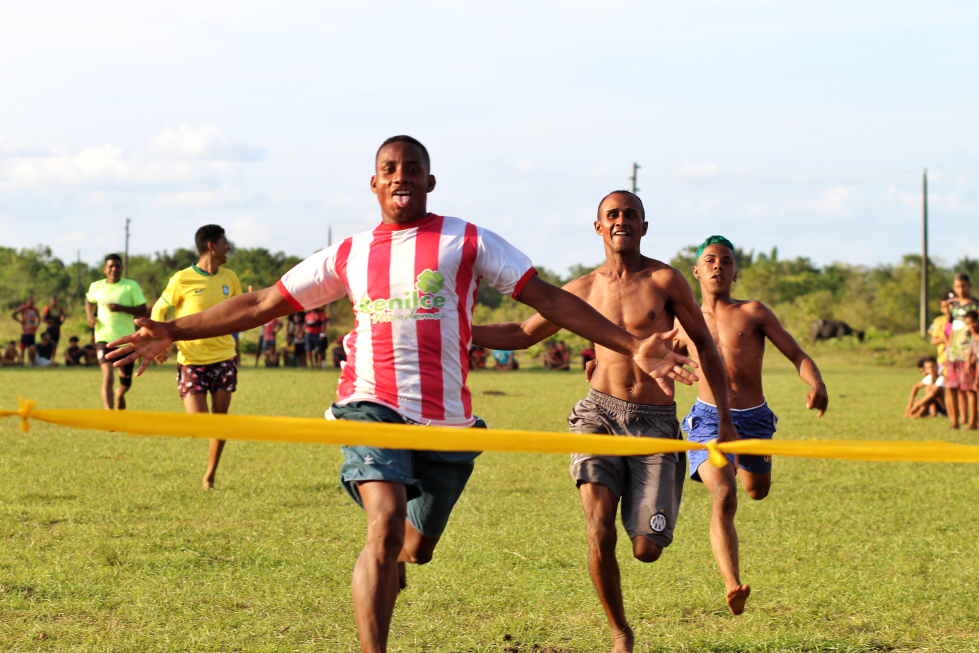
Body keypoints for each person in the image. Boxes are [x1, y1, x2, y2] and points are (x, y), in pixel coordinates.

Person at [106, 136, 696, 653]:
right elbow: (261, 304)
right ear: (373, 183)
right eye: (389, 168)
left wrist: (629, 342)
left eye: (412, 168)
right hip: (371, 401)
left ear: (430, 181)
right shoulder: (351, 253)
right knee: (383, 527)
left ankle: (398, 558)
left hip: (447, 422)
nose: (400, 177)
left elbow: (548, 300)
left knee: (413, 548)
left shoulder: (467, 240)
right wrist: (173, 329)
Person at [472, 191, 735, 652]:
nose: (621, 221)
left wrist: (725, 421)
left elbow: (706, 346)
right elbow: (520, 334)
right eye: (611, 215)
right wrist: (453, 328)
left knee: (646, 548)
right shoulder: (581, 290)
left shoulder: (666, 280)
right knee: (598, 526)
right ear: (598, 227)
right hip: (599, 414)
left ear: (644, 227)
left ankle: (644, 544)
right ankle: (619, 633)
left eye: (630, 214)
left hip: (655, 423)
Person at [672, 235, 828, 616]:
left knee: (756, 491)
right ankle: (732, 584)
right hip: (707, 420)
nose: (717, 266)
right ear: (696, 271)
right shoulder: (682, 323)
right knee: (724, 495)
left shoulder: (754, 312)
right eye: (709, 260)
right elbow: (646, 355)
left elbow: (796, 353)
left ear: (735, 272)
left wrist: (816, 382)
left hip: (754, 419)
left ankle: (752, 470)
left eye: (726, 261)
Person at [151, 225, 243, 489]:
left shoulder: (230, 277)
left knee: (220, 422)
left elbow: (243, 310)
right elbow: (159, 307)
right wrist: (159, 342)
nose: (229, 247)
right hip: (191, 361)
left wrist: (249, 298)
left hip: (224, 357)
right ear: (211, 246)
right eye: (225, 242)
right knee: (199, 425)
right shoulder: (182, 279)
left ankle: (210, 475)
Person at [85, 254, 148, 409]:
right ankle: (110, 415)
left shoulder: (130, 286)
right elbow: (88, 300)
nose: (114, 269)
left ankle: (120, 393)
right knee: (108, 376)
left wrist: (121, 308)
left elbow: (143, 309)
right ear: (105, 269)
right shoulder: (96, 286)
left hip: (126, 340)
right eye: (111, 266)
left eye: (117, 266)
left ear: (122, 269)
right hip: (103, 338)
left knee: (126, 382)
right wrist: (89, 317)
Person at [943, 274, 978, 429]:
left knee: (969, 388)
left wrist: (973, 355)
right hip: (953, 353)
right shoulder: (955, 306)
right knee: (952, 387)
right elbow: (950, 329)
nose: (960, 289)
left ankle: (972, 422)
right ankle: (954, 421)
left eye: (963, 286)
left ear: (969, 286)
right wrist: (948, 350)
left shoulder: (975, 305)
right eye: (957, 286)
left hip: (968, 352)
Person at [11, 296, 41, 365]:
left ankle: (32, 362)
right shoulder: (23, 308)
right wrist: (20, 321)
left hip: (32, 332)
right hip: (25, 332)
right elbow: (13, 314)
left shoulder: (35, 310)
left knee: (32, 348)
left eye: (32, 302)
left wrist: (36, 326)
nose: (31, 303)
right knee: (22, 348)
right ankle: (22, 362)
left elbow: (39, 318)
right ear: (26, 302)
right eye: (29, 302)